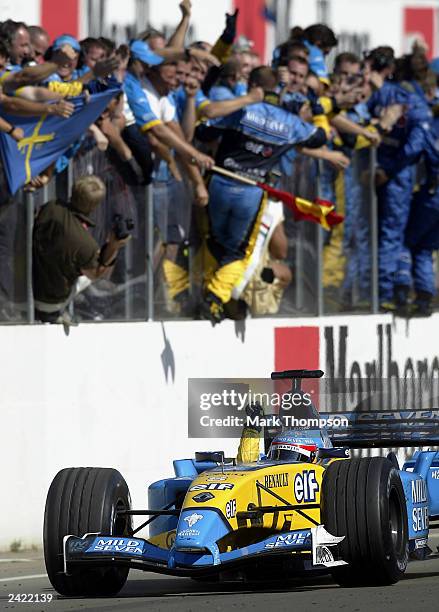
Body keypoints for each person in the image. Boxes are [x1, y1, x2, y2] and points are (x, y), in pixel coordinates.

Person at [202, 66, 327, 324]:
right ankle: (214, 296)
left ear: (252, 84)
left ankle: (221, 300)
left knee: (215, 242)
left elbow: (204, 131)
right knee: (238, 252)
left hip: (220, 183)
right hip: (251, 192)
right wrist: (318, 110)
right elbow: (319, 138)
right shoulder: (290, 123)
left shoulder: (241, 109)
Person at [32, 176, 129, 324]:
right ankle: (78, 307)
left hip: (29, 285)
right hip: (47, 301)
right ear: (94, 207)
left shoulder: (51, 206)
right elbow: (95, 274)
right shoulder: (85, 244)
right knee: (92, 274)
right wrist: (113, 246)